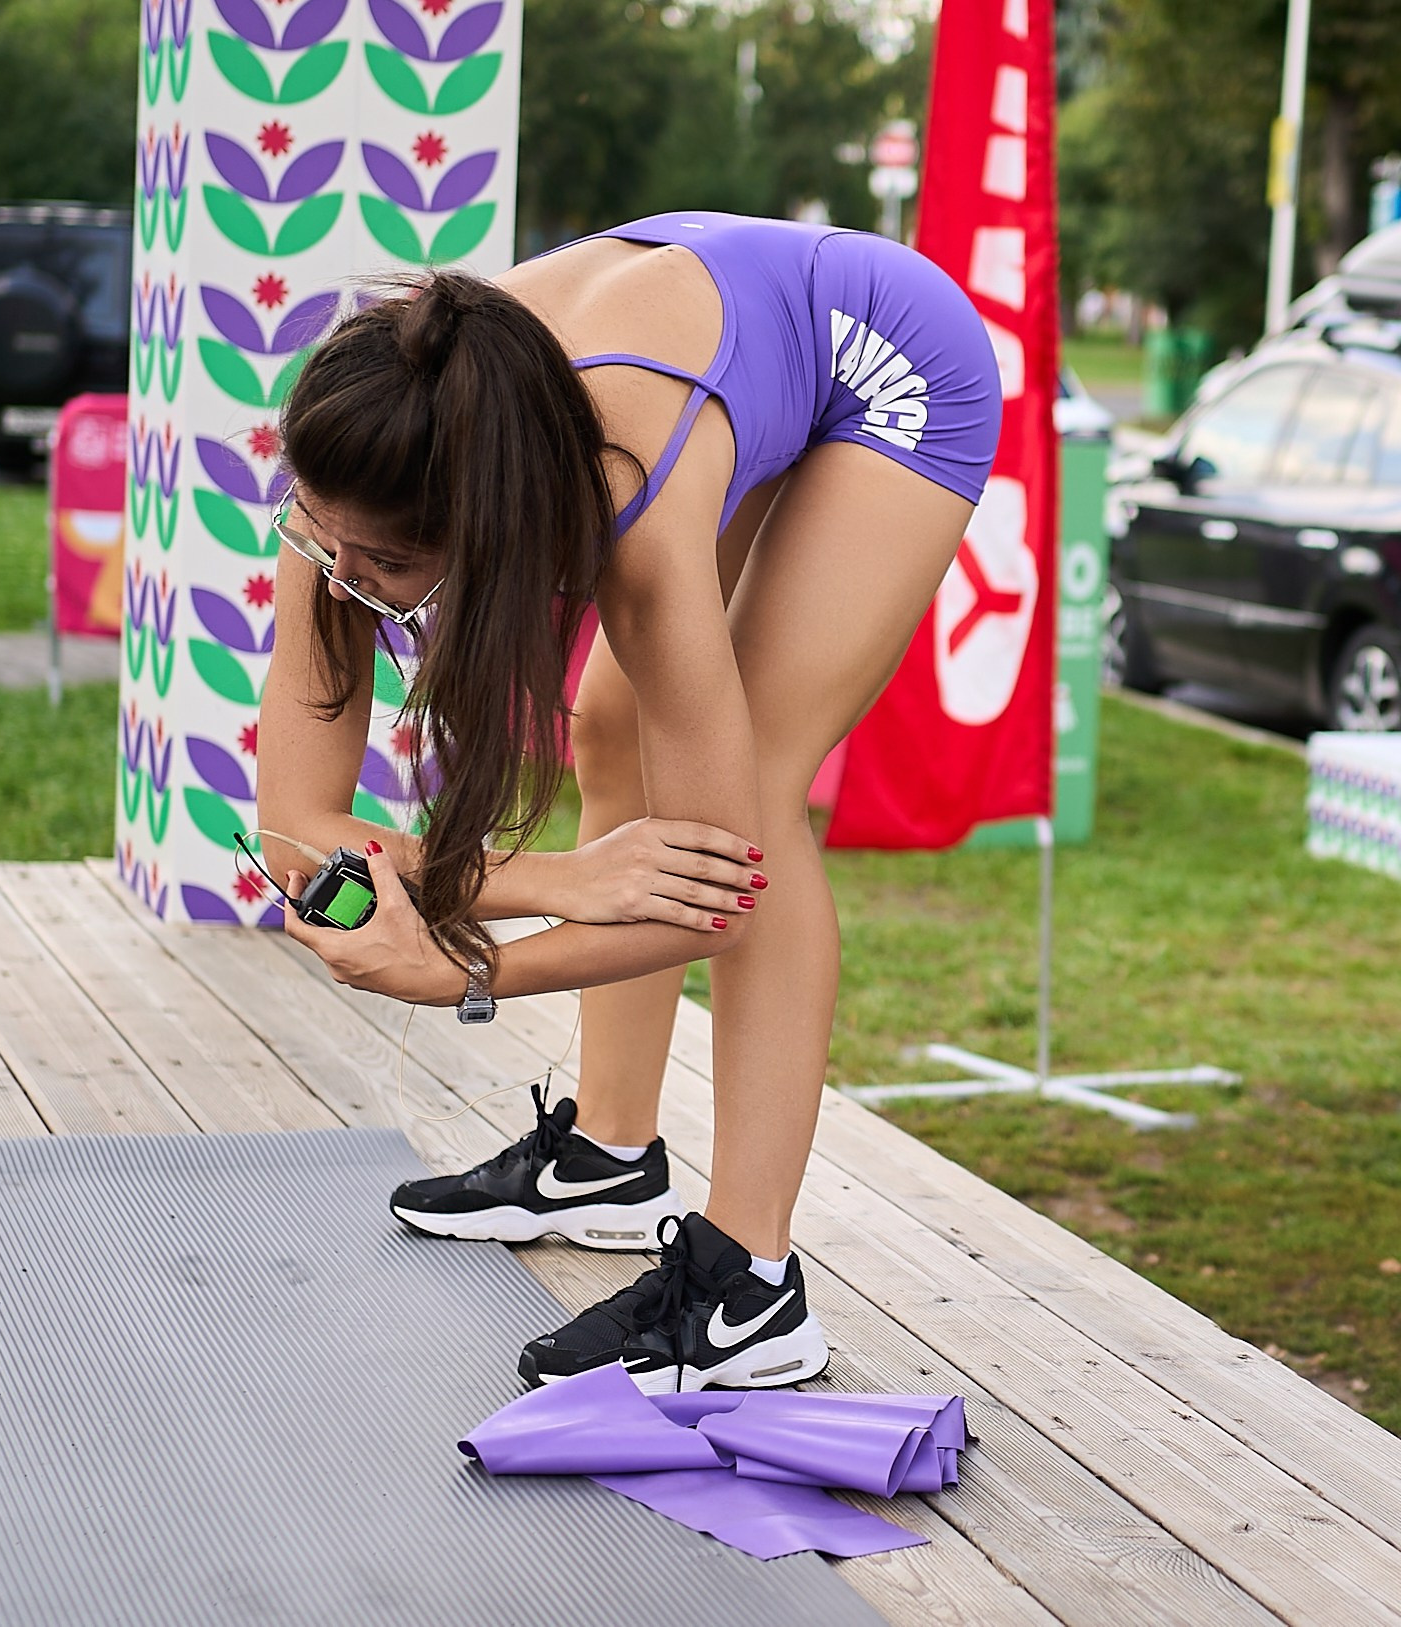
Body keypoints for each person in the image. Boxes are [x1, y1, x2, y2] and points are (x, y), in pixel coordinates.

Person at [257, 212, 999, 1393]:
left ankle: (750, 1285)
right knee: (609, 724)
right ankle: (609, 1157)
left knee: (746, 780)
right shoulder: (358, 468)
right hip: (709, 339)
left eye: (385, 568)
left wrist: (468, 970)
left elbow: (718, 889)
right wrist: (555, 882)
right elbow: (295, 830)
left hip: (883, 356)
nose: (344, 579)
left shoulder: (628, 513)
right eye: (324, 545)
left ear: (488, 535)